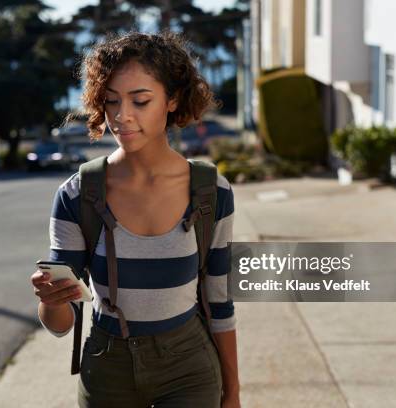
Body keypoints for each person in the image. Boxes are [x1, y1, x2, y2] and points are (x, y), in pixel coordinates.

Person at [30, 31, 240, 408]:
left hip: (189, 366)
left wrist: (233, 392)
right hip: (107, 366)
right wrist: (51, 298)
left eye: (140, 100)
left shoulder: (211, 192)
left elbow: (219, 303)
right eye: (111, 101)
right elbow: (60, 324)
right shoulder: (76, 195)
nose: (121, 116)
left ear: (172, 100)